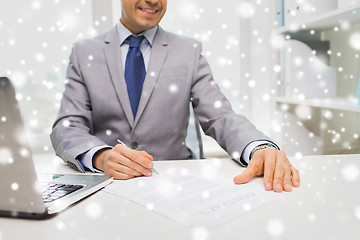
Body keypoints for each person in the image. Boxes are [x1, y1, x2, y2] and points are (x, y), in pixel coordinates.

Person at [51, 0, 300, 193]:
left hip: (176, 187)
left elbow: (220, 115)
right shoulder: (84, 53)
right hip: (109, 187)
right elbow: (68, 126)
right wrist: (100, 156)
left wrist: (259, 147)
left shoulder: (188, 51)